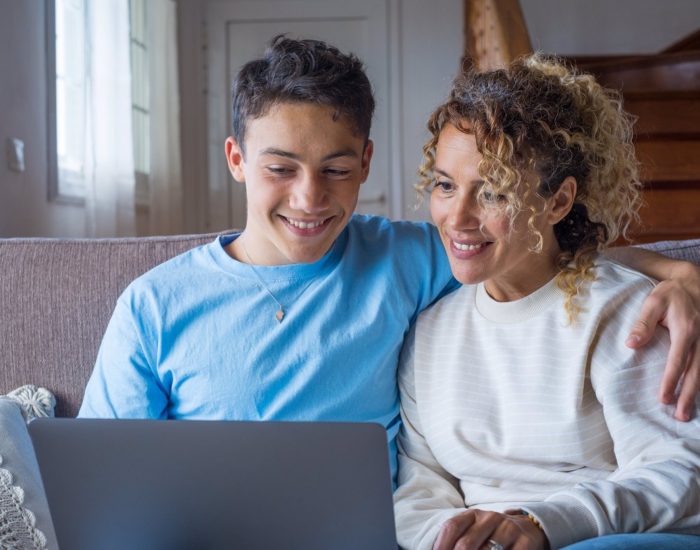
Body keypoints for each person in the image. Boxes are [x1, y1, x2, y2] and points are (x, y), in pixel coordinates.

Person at [79, 36, 700, 485]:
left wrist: (677, 272)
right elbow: (103, 478)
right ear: (237, 160)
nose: (309, 198)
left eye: (336, 170)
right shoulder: (153, 305)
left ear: (367, 164)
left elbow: (531, 246)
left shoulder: (403, 258)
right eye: (280, 169)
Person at [393, 54, 700, 550]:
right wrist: (451, 541)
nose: (458, 217)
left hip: (607, 539)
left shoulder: (625, 311)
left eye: (493, 193)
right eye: (446, 185)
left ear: (558, 202)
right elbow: (418, 482)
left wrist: (538, 525)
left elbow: (682, 471)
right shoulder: (429, 332)